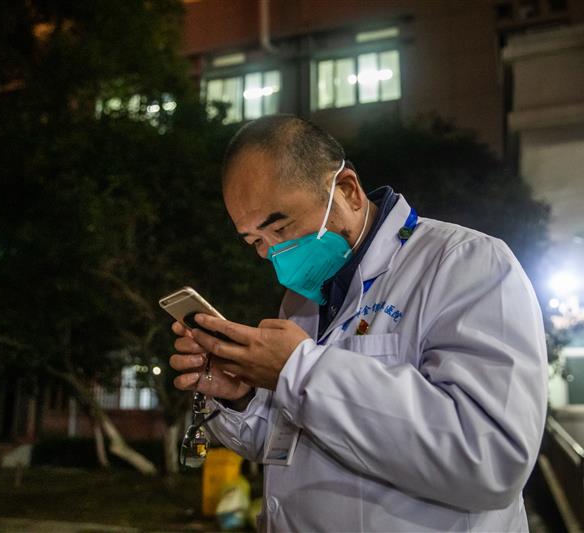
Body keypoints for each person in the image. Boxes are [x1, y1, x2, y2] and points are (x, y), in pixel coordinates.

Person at [170, 115, 548, 532]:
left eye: (280, 226)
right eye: (255, 241)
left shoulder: (467, 264)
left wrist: (299, 371)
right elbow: (294, 445)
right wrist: (242, 396)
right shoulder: (303, 300)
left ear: (347, 190)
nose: (272, 253)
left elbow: (491, 460)